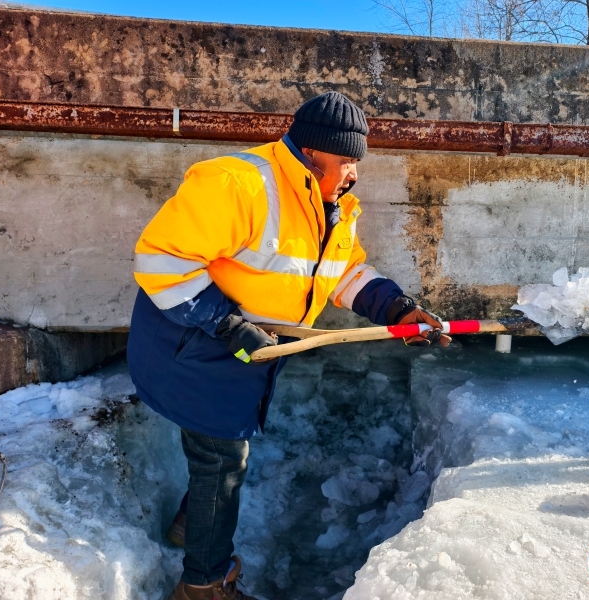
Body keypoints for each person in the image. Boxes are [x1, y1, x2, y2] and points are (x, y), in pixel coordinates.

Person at [127, 91, 451, 600]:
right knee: (222, 458)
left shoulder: (332, 206)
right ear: (312, 153)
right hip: (191, 342)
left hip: (241, 349)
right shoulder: (238, 184)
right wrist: (227, 326)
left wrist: (396, 308)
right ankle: (203, 584)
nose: (354, 173)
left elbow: (341, 271)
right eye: (347, 160)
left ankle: (192, 525)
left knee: (218, 450)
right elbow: (159, 261)